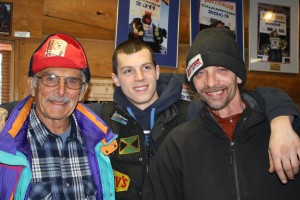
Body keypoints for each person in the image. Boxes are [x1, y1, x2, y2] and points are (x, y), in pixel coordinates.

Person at [0, 39, 300, 200]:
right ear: (115, 79)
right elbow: (52, 101)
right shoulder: (101, 120)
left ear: (158, 72)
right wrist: (3, 110)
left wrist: (282, 120)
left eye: (146, 68)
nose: (139, 78)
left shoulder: (191, 113)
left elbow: (251, 96)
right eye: (128, 71)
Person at [142, 28, 300, 200]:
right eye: (200, 73)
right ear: (192, 83)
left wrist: (282, 123)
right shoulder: (177, 145)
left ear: (238, 77)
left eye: (222, 70)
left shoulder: (283, 131)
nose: (210, 82)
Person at [0, 33, 118, 200]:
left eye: (72, 81)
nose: (61, 91)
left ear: (83, 91)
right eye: (50, 78)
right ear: (32, 86)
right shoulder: (7, 147)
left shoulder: (100, 143)